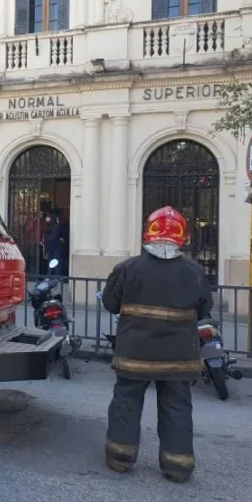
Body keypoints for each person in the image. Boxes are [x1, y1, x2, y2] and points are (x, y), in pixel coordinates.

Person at [101, 206, 213, 483]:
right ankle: (178, 465)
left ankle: (121, 457)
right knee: (176, 405)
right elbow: (204, 308)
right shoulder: (195, 272)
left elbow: (110, 304)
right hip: (179, 356)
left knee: (127, 401)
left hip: (134, 354)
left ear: (147, 233)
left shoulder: (127, 268)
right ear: (182, 237)